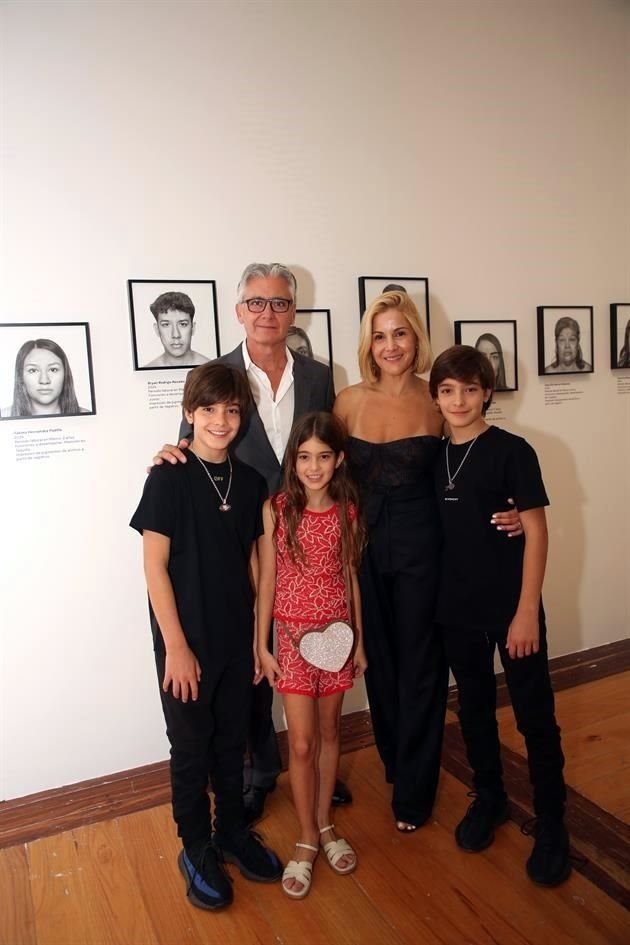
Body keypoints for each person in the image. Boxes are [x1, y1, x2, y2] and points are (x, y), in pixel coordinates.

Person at [152, 263, 351, 823]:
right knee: (253, 651)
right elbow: (193, 441)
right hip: (238, 532)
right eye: (257, 303)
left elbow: (326, 446)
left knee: (301, 642)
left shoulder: (317, 374)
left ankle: (313, 766)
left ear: (294, 311)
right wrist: (168, 453)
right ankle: (260, 770)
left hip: (304, 533)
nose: (269, 313)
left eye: (280, 303)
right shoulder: (217, 373)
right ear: (239, 311)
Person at [334, 290, 521, 832]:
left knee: (422, 669)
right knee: (382, 664)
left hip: (424, 552)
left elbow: (473, 459)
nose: (390, 345)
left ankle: (415, 792)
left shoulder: (435, 402)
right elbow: (321, 470)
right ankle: (398, 762)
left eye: (400, 333)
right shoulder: (345, 401)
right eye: (380, 334)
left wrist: (513, 511)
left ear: (416, 339)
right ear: (369, 342)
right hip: (363, 551)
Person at [130, 363, 282, 911]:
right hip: (184, 644)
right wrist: (175, 646)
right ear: (189, 412)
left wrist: (261, 644)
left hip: (237, 639)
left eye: (232, 409)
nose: (221, 420)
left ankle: (232, 833)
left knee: (230, 741)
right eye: (210, 409)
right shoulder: (168, 477)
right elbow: (154, 568)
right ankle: (196, 846)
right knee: (191, 748)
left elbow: (263, 571)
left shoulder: (252, 484)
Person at [429, 345, 570, 888]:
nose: (458, 400)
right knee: (476, 713)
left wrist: (527, 611)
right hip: (456, 611)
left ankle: (553, 820)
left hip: (513, 610)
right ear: (436, 396)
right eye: (447, 390)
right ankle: (490, 797)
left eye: (469, 389)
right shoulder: (433, 455)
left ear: (487, 392)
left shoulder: (512, 450)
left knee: (535, 716)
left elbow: (536, 531)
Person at [257, 412, 367, 899]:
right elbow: (267, 583)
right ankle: (305, 836)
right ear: (293, 461)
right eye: (305, 457)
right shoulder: (276, 510)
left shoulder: (347, 509)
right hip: (293, 642)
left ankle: (325, 826)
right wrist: (262, 644)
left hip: (339, 638)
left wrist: (359, 639)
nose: (314, 466)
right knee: (300, 744)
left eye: (324, 457)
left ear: (338, 460)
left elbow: (349, 576)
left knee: (328, 734)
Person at [7, 338, 87, 417]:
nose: (44, 380)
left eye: (53, 369)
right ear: (21, 376)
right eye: (33, 370)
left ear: (65, 374)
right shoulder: (4, 416)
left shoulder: (87, 417)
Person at [144, 291, 209, 368]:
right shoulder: (147, 371)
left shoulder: (212, 369)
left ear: (193, 328)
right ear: (157, 329)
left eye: (183, 324)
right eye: (166, 324)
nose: (176, 335)